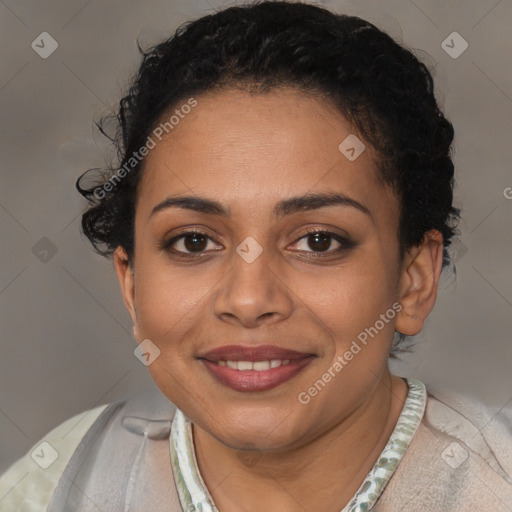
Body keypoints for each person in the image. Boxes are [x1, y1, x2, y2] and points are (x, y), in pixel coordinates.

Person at [1, 1, 511, 510]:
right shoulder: (54, 486)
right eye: (193, 241)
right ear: (131, 286)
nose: (248, 300)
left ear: (413, 279)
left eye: (318, 241)